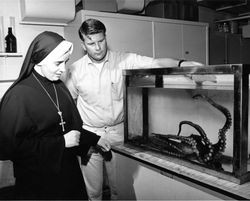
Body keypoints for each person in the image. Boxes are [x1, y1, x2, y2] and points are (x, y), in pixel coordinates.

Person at [65, 18, 203, 200]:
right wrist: (81, 137)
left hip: (118, 134)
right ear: (83, 44)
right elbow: (68, 107)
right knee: (93, 193)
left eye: (101, 41)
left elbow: (155, 63)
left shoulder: (125, 60)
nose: (97, 48)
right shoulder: (75, 70)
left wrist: (182, 64)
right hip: (90, 134)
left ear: (106, 37)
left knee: (119, 190)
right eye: (91, 43)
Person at [0, 31, 111, 200]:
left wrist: (95, 139)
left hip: (68, 175)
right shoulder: (18, 96)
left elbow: (67, 127)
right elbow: (8, 148)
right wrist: (61, 143)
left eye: (65, 62)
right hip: (38, 183)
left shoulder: (58, 86)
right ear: (39, 60)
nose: (63, 69)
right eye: (58, 63)